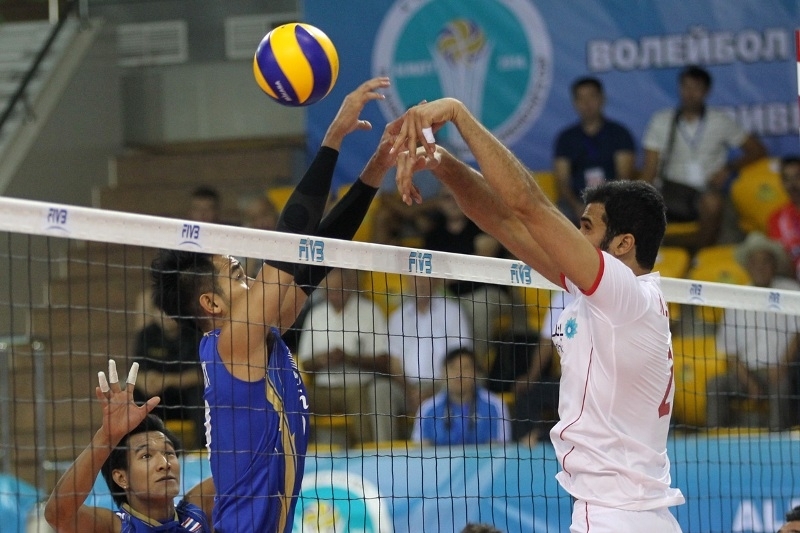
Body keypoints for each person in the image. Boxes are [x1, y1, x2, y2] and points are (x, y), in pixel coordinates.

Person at [392, 97, 685, 532]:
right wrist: (442, 163)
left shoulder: (625, 294)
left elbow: (530, 206)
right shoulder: (611, 296)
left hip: (615, 516)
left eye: (586, 227)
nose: (573, 234)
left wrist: (457, 113)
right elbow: (505, 222)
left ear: (624, 244)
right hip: (635, 514)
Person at [150, 77, 396, 533]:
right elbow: (288, 240)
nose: (251, 278)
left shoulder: (259, 338)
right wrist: (332, 138)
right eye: (237, 275)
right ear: (211, 303)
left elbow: (316, 256)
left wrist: (376, 170)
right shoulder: (231, 345)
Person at [44, 360, 212, 533]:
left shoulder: (197, 512)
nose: (165, 463)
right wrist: (107, 438)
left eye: (169, 453)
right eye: (146, 456)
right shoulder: (113, 527)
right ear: (121, 478)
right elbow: (57, 514)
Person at [640, 65, 767, 250]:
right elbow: (650, 169)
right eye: (686, 87)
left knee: (713, 203)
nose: (690, 93)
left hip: (706, 190)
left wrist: (729, 169)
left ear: (707, 91)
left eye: (696, 88)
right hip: (672, 191)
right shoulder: (662, 120)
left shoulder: (720, 121)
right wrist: (638, 197)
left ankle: (700, 254)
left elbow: (757, 150)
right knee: (639, 205)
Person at [297, 268, 404, 446]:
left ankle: (367, 451)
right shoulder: (316, 315)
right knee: (295, 395)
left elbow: (383, 361)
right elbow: (305, 364)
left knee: (361, 397)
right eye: (329, 290)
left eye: (337, 289)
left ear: (349, 286)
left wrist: (348, 358)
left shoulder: (369, 311)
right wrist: (322, 360)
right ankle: (298, 450)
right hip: (324, 389)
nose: (333, 295)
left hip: (358, 386)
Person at [707, 231, 800, 430]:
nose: (760, 267)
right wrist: (749, 382)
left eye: (765, 261)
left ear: (774, 265)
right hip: (746, 373)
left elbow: (797, 335)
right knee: (716, 386)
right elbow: (731, 354)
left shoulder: (791, 291)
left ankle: (778, 438)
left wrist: (782, 367)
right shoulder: (737, 299)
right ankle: (714, 438)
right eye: (755, 262)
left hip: (783, 370)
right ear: (748, 266)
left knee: (782, 386)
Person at [553, 76, 636, 224]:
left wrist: (604, 206)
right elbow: (562, 182)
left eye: (592, 97)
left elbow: (624, 178)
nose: (587, 104)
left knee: (628, 209)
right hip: (577, 202)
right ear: (574, 103)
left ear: (602, 99)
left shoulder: (620, 134)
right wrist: (577, 206)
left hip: (612, 201)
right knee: (559, 214)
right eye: (581, 99)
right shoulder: (566, 138)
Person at [387, 275, 473, 417]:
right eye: (415, 278)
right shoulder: (397, 317)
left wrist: (431, 392)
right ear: (408, 281)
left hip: (443, 385)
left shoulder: (452, 312)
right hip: (407, 388)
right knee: (381, 391)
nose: (420, 283)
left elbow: (460, 359)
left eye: (425, 278)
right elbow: (394, 365)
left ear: (436, 280)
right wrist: (410, 392)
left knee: (460, 384)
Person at [131, 287, 205, 449]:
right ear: (154, 313)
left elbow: (202, 375)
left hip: (186, 399)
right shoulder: (147, 335)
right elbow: (136, 371)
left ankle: (203, 447)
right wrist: (145, 382)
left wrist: (168, 380)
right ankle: (141, 445)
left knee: (199, 393)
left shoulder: (194, 333)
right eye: (162, 311)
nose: (167, 316)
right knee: (136, 394)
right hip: (159, 398)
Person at [411, 347, 510, 446]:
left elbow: (499, 449)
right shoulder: (428, 409)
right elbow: (421, 450)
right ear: (443, 373)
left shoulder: (494, 406)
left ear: (475, 372)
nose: (459, 374)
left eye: (465, 367)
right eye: (453, 368)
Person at [512, 291, 574, 447]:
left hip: (594, 385)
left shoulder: (604, 294)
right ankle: (528, 444)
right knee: (527, 394)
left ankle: (542, 437)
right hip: (566, 381)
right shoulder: (563, 296)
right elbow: (547, 341)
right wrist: (531, 377)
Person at [768, 156, 800, 280]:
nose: (792, 184)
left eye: (797, 177)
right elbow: (777, 259)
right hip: (790, 282)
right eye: (787, 179)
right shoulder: (776, 218)